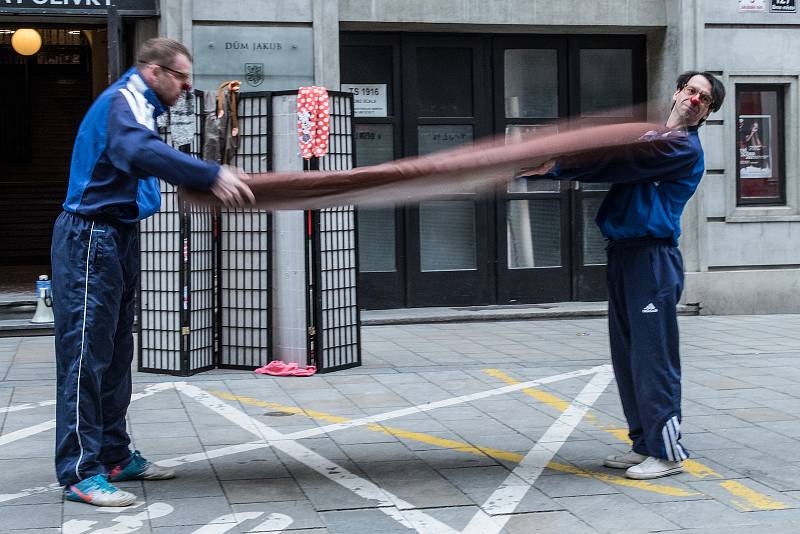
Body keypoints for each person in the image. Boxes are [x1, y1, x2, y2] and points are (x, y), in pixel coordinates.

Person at [51, 37, 254, 507]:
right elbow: (135, 150)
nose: (187, 87)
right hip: (90, 237)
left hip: (116, 236)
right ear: (153, 71)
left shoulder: (142, 104)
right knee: (86, 355)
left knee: (117, 351)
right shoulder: (124, 102)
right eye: (181, 77)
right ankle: (80, 471)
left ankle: (115, 455)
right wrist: (209, 174)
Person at [535, 71, 725, 480]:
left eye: (704, 99)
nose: (695, 99)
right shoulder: (654, 138)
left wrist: (555, 166)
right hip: (624, 256)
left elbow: (620, 162)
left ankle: (668, 452)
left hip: (653, 261)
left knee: (653, 357)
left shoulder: (681, 147)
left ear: (707, 112)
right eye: (691, 90)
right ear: (677, 92)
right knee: (627, 356)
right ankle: (644, 444)